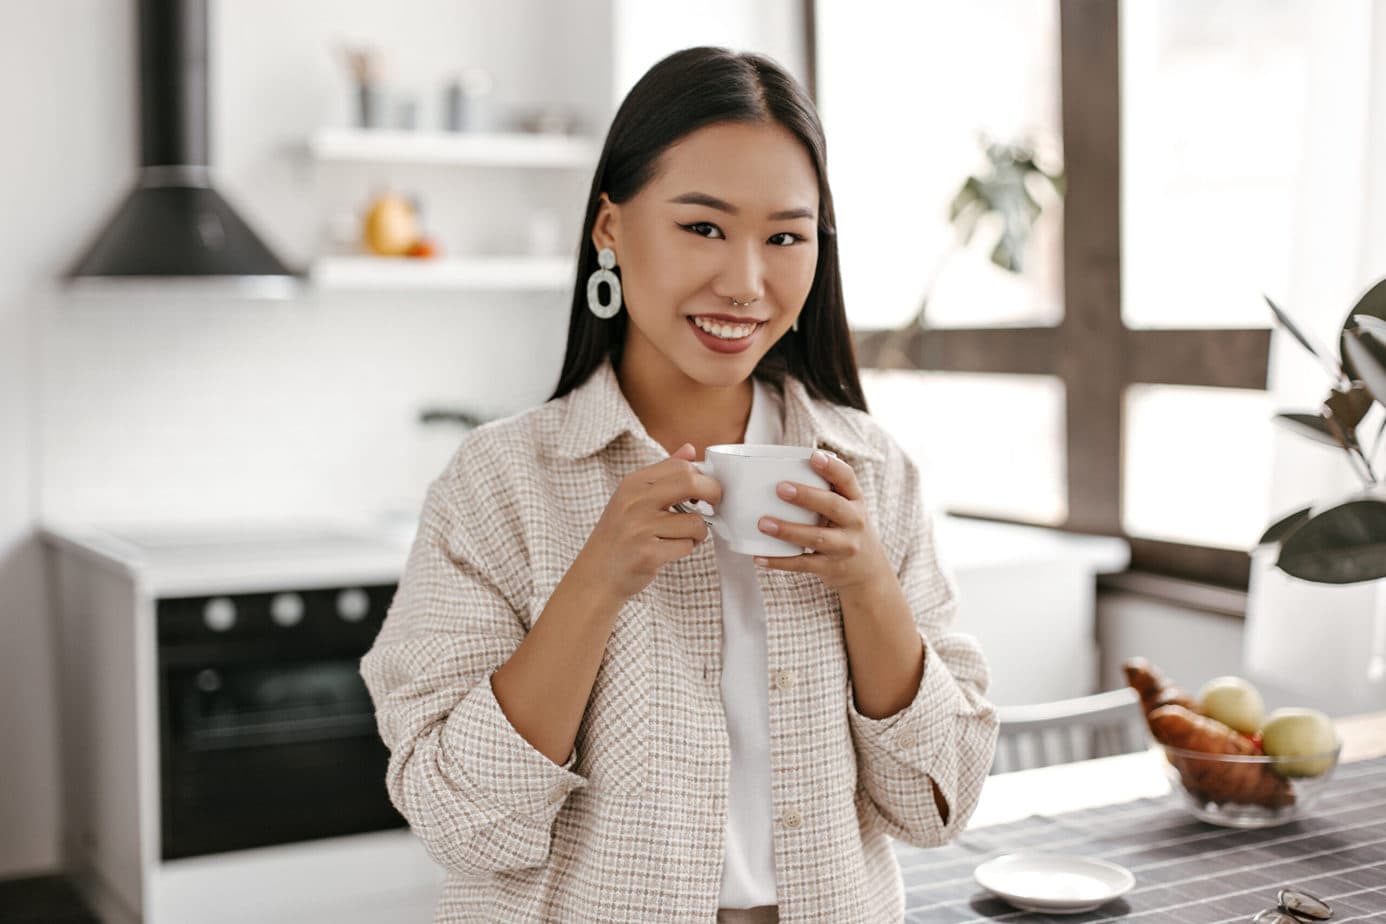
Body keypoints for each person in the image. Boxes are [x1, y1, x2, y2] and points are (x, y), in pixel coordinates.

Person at [360, 46, 998, 924]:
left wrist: (870, 587)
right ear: (610, 229)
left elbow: (942, 804)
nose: (744, 282)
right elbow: (460, 822)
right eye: (703, 227)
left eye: (785, 236)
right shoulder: (501, 484)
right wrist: (596, 581)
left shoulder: (873, 475)